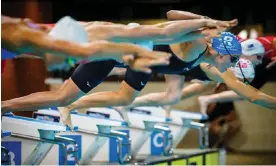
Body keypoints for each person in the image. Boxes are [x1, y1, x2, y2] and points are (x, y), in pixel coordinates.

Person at [1, 15, 228, 118]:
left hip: (107, 46)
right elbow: (169, 24)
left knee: (57, 84)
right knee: (31, 47)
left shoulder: (154, 37)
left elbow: (165, 32)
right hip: (99, 41)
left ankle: (4, 106)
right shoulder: (194, 44)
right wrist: (204, 20)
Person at [1, 15, 171, 73]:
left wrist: (126, 55)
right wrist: (134, 50)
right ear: (59, 45)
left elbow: (90, 52)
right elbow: (87, 51)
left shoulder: (30, 43)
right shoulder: (19, 35)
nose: (69, 67)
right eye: (69, 59)